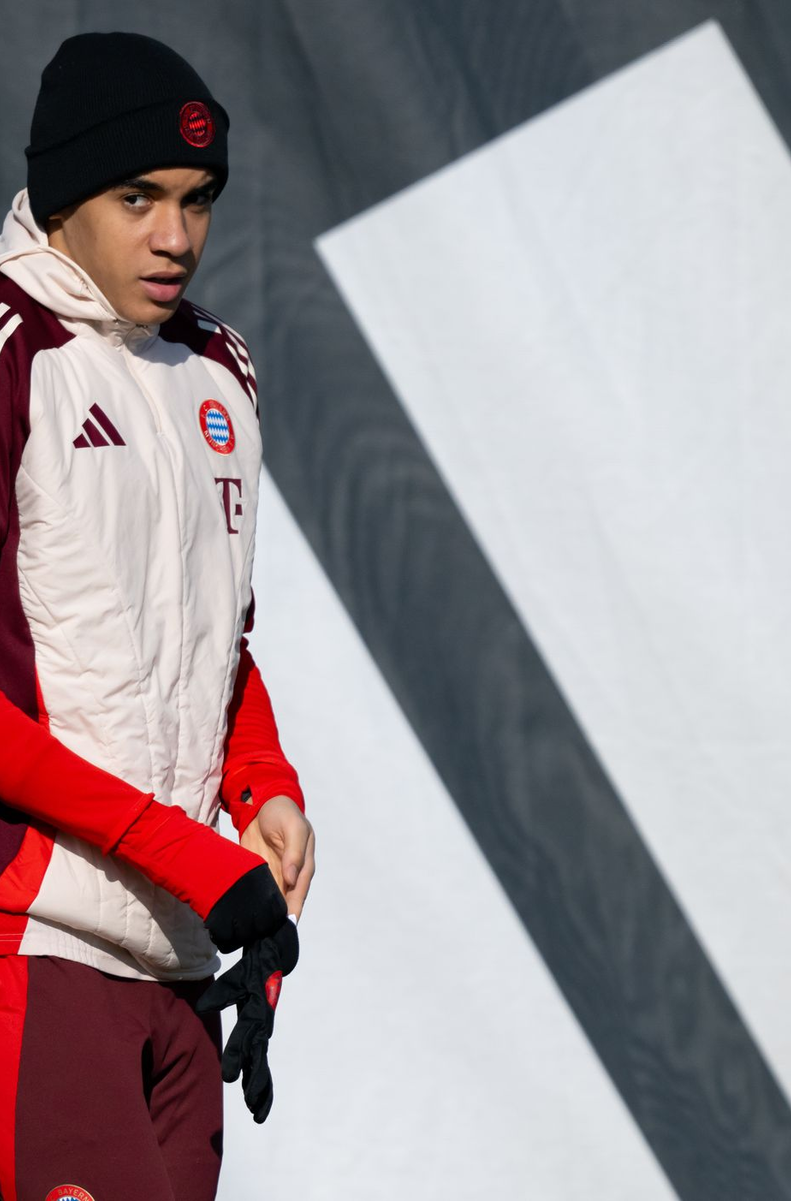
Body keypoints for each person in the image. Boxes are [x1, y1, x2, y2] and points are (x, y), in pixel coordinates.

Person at [0, 30, 315, 1201]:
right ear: (63, 193)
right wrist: (189, 854)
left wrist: (264, 784)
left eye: (198, 200)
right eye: (138, 197)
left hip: (184, 965)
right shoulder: (10, 352)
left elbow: (215, 644)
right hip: (34, 947)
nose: (176, 235)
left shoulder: (219, 367)